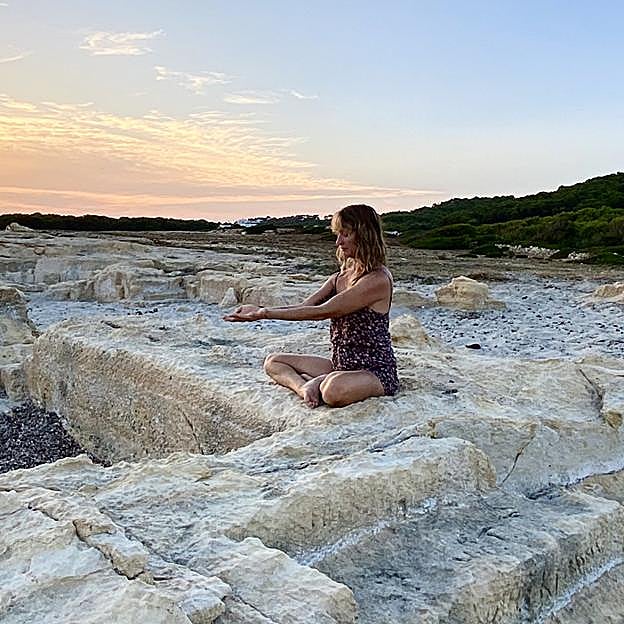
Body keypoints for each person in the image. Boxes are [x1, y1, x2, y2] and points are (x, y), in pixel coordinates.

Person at [224, 204, 399, 408]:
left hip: (374, 371)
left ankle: (318, 383)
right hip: (340, 366)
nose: (338, 242)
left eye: (346, 234)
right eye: (337, 234)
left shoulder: (377, 279)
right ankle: (304, 388)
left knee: (333, 391)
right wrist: (257, 309)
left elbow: (323, 311)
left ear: (364, 235)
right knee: (274, 362)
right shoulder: (340, 277)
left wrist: (264, 314)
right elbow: (306, 305)